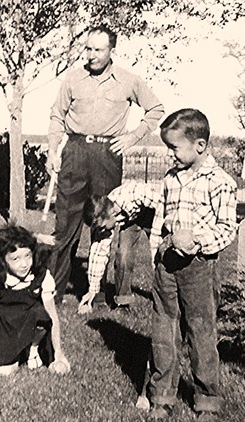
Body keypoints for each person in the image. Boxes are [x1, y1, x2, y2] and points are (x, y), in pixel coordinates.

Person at [46, 24, 165, 300]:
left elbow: (155, 108)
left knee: (103, 223)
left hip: (108, 155)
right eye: (88, 48)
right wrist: (53, 150)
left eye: (98, 50)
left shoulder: (128, 80)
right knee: (65, 225)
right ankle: (54, 291)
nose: (91, 55)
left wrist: (133, 137)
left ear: (112, 50)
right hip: (75, 152)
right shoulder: (72, 79)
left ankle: (94, 291)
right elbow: (56, 116)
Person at [146, 109, 237, 419]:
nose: (170, 154)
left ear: (199, 145)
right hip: (166, 266)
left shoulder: (221, 182)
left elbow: (226, 229)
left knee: (201, 332)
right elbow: (159, 219)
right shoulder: (170, 178)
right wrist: (157, 252)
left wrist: (197, 241)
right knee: (164, 329)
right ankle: (162, 395)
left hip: (199, 266)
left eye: (174, 147)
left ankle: (207, 400)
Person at [0, 225, 70, 376]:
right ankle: (18, 356)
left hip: (34, 326)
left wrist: (59, 352)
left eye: (28, 256)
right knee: (2, 371)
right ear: (2, 260)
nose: (24, 264)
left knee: (61, 368)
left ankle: (33, 349)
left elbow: (52, 316)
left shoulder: (41, 277)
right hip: (8, 328)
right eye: (15, 259)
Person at [77, 181, 161, 313]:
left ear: (111, 212)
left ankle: (166, 298)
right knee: (124, 255)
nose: (102, 230)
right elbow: (98, 254)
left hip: (153, 213)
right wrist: (92, 291)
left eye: (103, 226)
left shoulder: (134, 193)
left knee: (161, 256)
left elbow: (162, 203)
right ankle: (123, 301)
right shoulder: (108, 214)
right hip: (131, 220)